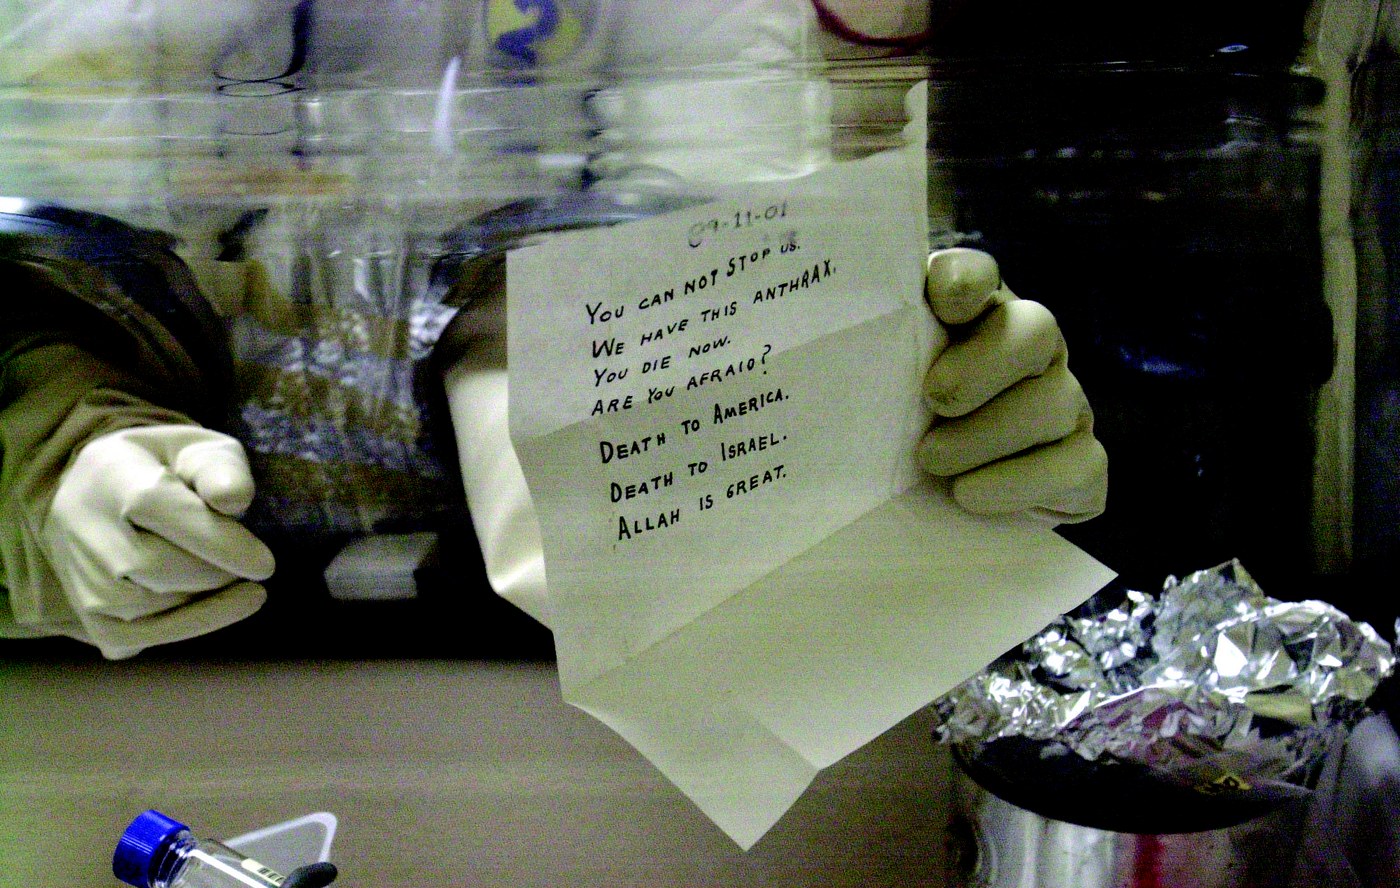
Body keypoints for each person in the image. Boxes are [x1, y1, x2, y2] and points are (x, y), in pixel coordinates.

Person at [0, 0, 1107, 659]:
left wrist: (887, 426)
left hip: (570, 695)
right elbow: (52, 197)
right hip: (151, 703)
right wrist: (45, 446)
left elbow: (710, 204)